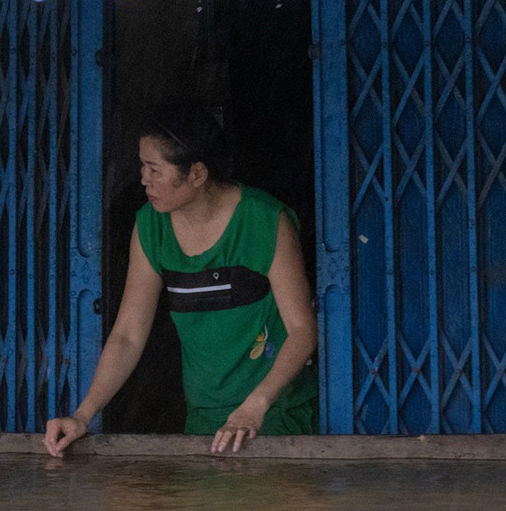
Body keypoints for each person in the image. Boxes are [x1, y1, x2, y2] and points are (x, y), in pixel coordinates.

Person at [44, 108, 318, 456]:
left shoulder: (265, 222)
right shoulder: (150, 227)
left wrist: (255, 406)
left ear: (198, 173)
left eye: (155, 170)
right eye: (142, 166)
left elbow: (302, 329)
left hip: (276, 414)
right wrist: (83, 415)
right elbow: (128, 334)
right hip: (203, 420)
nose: (144, 179)